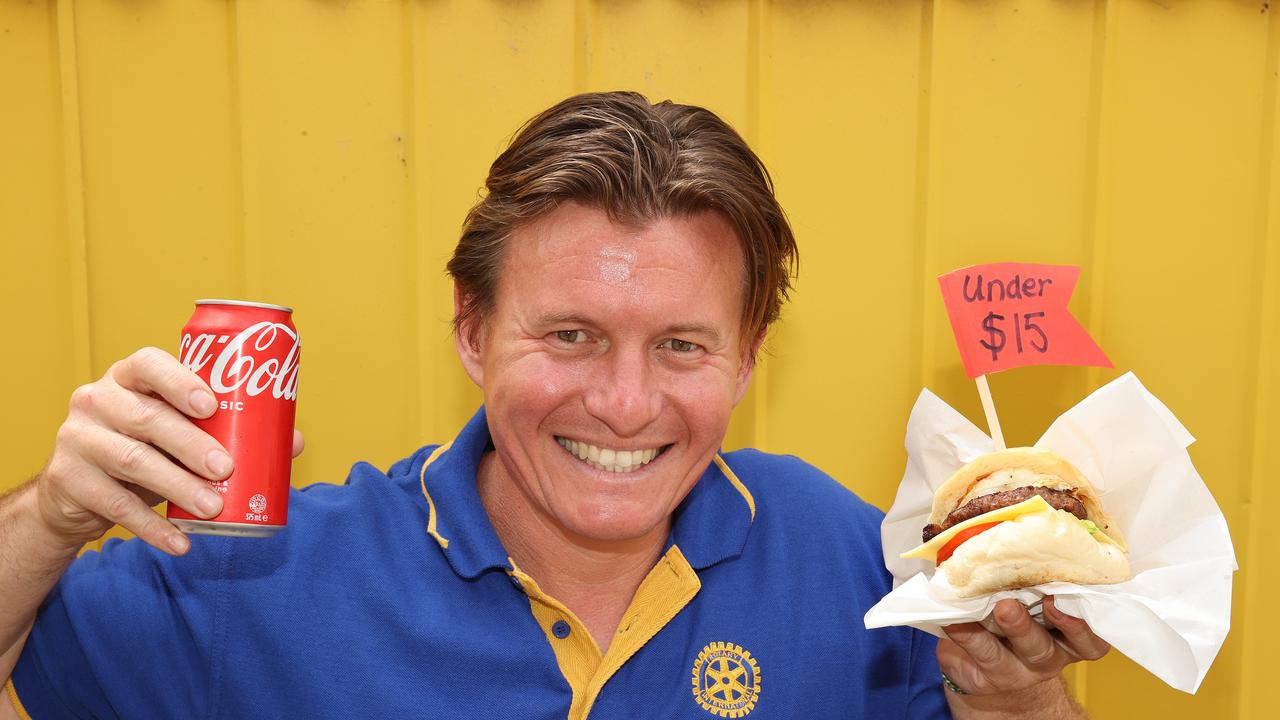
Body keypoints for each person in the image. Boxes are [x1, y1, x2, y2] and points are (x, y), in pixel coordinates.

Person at [0, 92, 1108, 719]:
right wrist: (49, 519)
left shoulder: (843, 554)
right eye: (569, 335)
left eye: (680, 346)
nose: (623, 404)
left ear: (747, 359)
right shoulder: (262, 571)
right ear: (472, 333)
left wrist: (1015, 702)